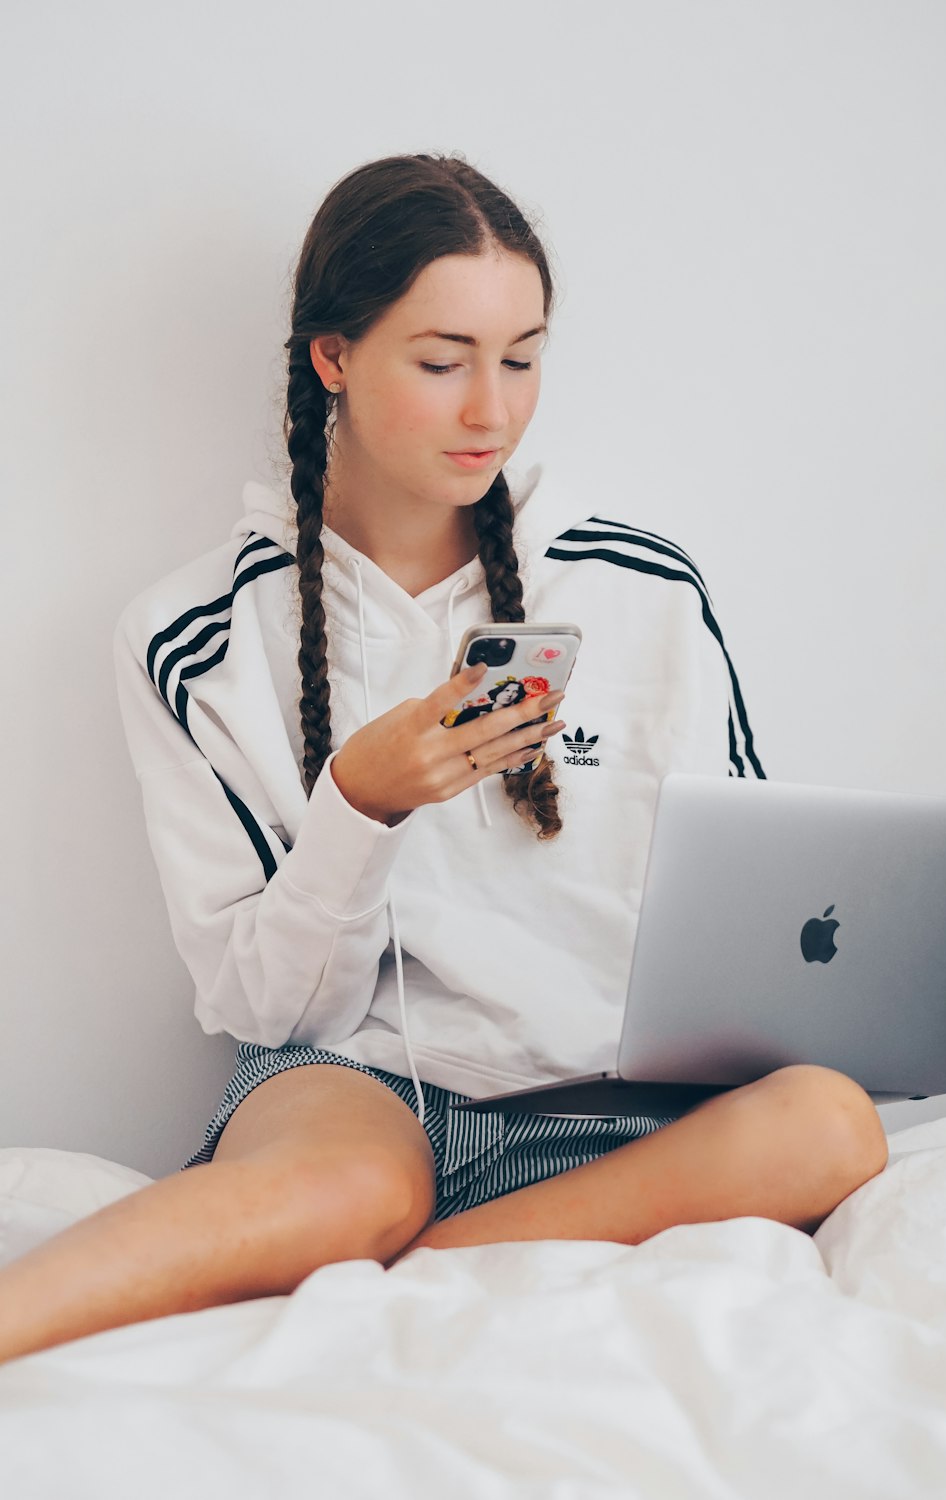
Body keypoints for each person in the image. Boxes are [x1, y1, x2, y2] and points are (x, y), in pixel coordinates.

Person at [0, 152, 888, 1366]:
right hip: (361, 1095)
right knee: (341, 1189)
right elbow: (263, 1007)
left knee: (831, 1124)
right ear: (334, 360)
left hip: (616, 1107)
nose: (493, 410)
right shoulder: (191, 636)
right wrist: (358, 806)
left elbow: (758, 909)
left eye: (520, 358)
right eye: (441, 361)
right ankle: (348, 1241)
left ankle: (420, 1268)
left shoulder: (643, 588)